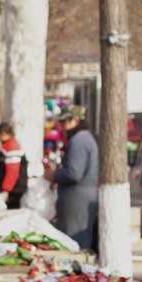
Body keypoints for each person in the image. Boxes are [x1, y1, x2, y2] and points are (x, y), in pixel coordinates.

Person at [51, 106, 99, 249]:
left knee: (75, 244)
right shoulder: (83, 139)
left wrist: (53, 175)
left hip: (77, 201)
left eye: (67, 121)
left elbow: (73, 173)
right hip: (80, 198)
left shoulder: (79, 140)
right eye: (62, 122)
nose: (63, 125)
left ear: (77, 120)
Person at [0, 121, 28, 208]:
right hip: (13, 188)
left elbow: (12, 172)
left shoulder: (11, 147)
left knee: (12, 215)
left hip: (14, 190)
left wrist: (6, 190)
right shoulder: (9, 145)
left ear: (3, 133)